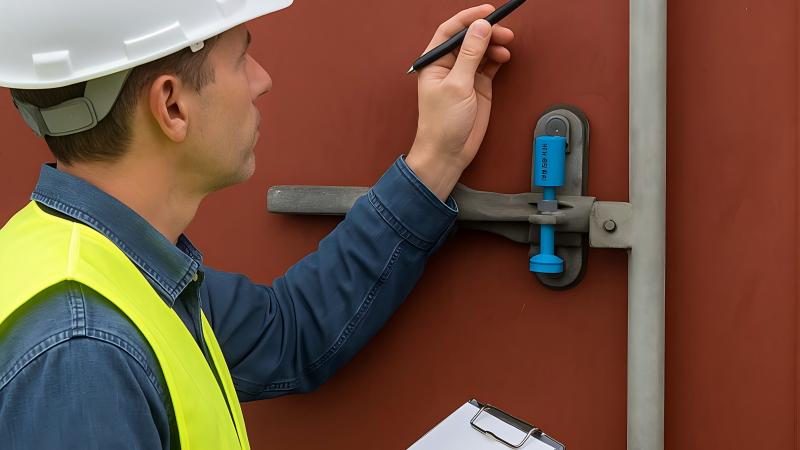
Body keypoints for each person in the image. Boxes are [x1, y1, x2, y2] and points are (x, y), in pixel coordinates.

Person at [0, 1, 514, 448]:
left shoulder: (98, 264)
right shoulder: (82, 353)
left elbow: (287, 333)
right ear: (172, 106)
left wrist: (435, 160)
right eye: (241, 58)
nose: (262, 80)